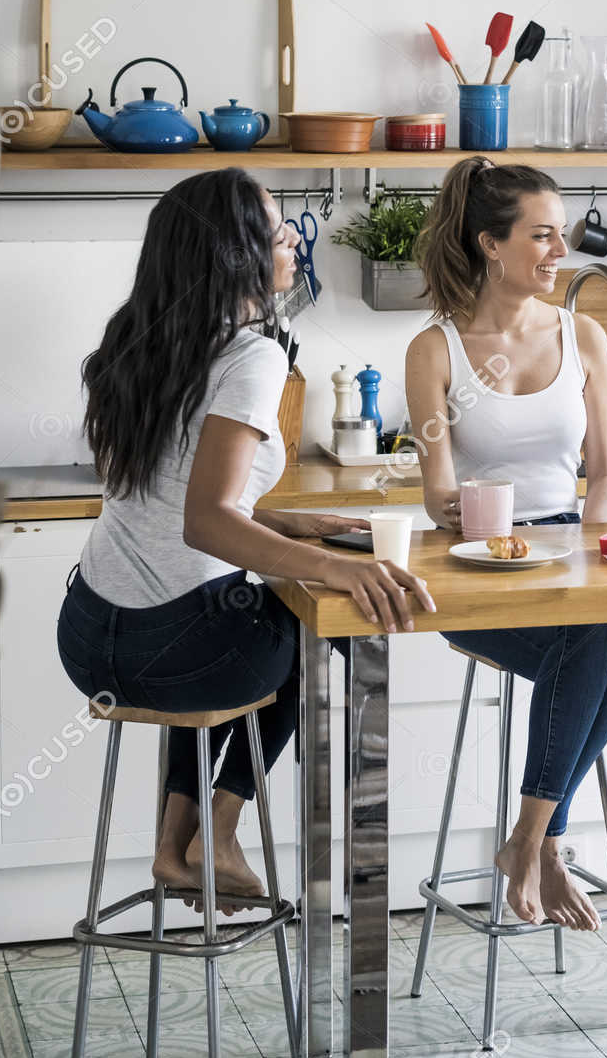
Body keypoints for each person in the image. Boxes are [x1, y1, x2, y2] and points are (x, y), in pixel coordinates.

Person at [57, 169, 435, 909]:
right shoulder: (251, 356)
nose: (291, 240)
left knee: (225, 616)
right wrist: (335, 568)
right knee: (327, 627)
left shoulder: (134, 341)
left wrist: (285, 524)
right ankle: (218, 828)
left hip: (89, 636)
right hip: (177, 654)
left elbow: (167, 499)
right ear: (234, 252)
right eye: (273, 229)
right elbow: (205, 521)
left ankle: (174, 846)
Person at [405, 157, 607, 933]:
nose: (558, 251)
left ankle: (531, 840)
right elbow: (435, 492)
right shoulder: (436, 350)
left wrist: (589, 554)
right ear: (490, 244)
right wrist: (480, 523)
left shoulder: (585, 335)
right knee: (603, 671)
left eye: (560, 235)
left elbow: (603, 480)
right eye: (541, 236)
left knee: (600, 655)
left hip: (571, 562)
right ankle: (540, 844)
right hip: (477, 574)